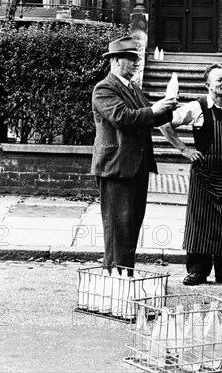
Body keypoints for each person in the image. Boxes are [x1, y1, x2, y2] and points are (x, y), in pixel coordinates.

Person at [91, 36, 177, 270]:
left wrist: (170, 109)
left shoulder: (132, 88)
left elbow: (150, 116)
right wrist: (154, 109)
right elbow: (123, 118)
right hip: (116, 167)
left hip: (135, 165)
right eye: (130, 59)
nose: (135, 63)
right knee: (118, 227)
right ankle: (114, 275)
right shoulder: (104, 88)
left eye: (136, 58)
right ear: (115, 61)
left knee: (131, 224)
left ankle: (124, 273)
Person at [160, 63, 222, 287]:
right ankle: (197, 271)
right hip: (204, 174)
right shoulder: (197, 108)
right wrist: (184, 149)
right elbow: (165, 124)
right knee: (200, 223)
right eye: (220, 80)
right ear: (208, 85)